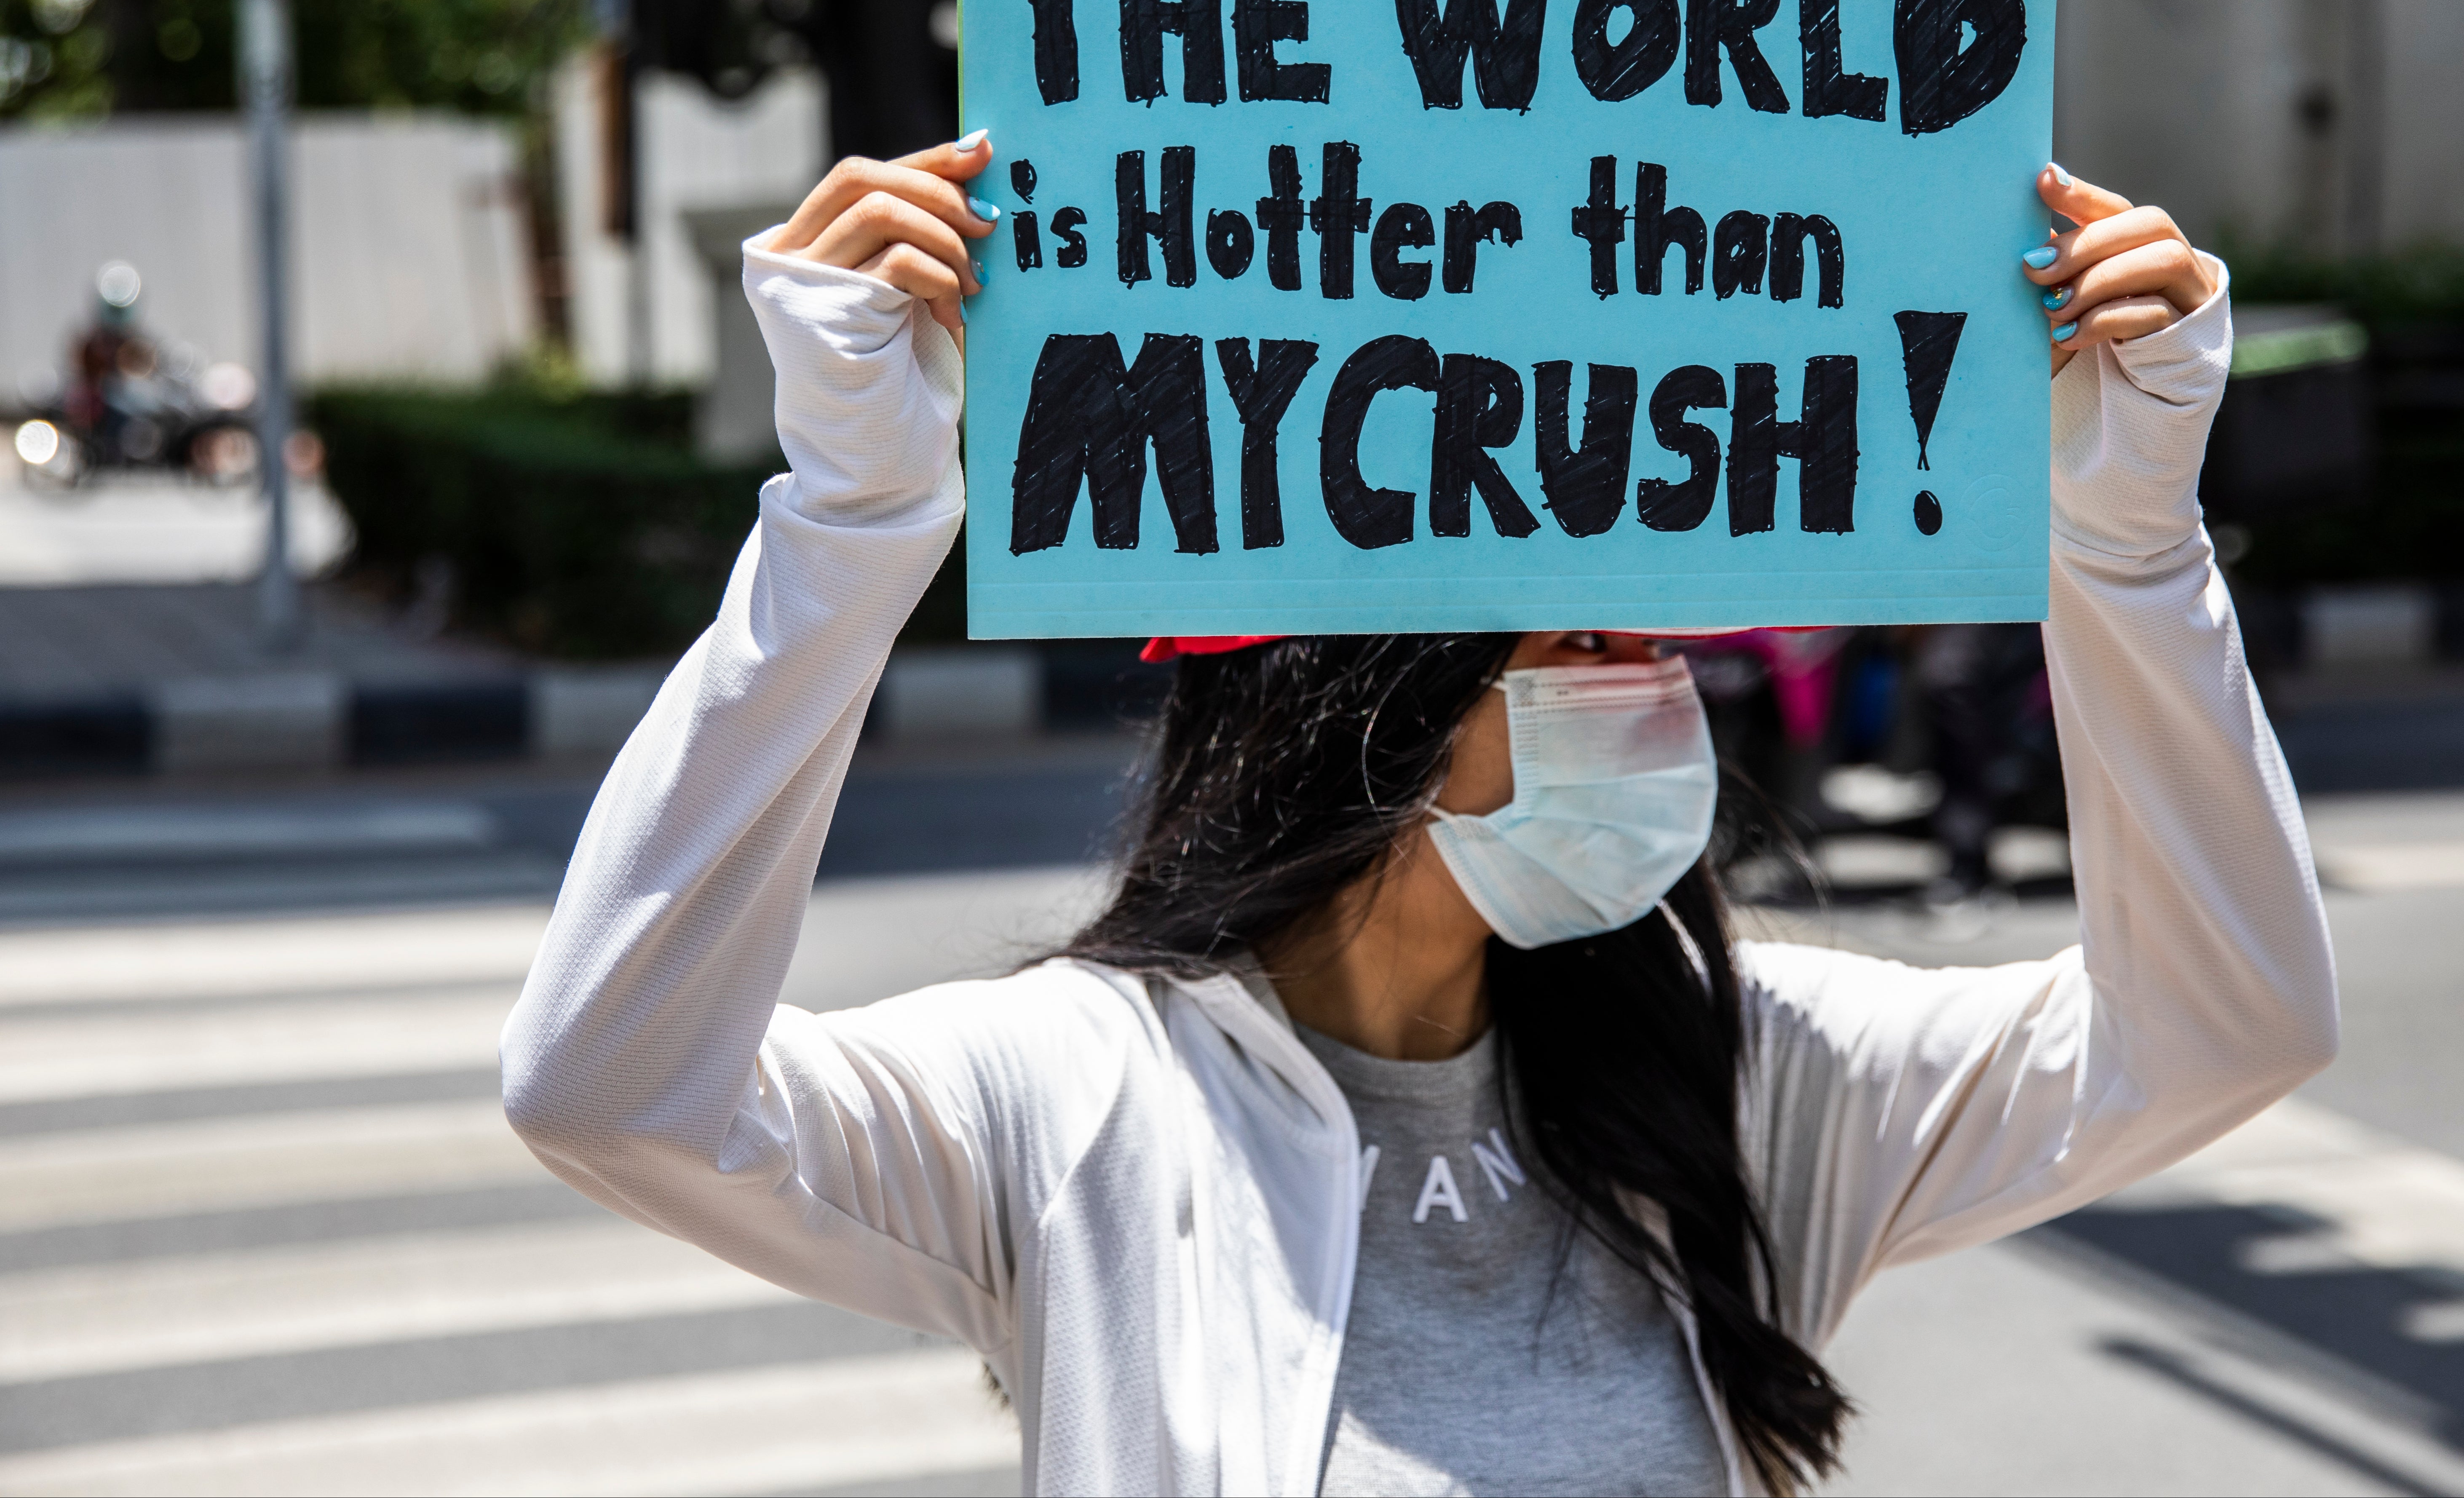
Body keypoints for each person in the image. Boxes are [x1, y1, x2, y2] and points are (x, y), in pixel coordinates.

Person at [502, 137, 2337, 1496]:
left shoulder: (1737, 1079)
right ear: (1367, 692)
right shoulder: (1069, 1098)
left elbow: (2222, 1023)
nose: (1661, 685)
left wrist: (2125, 547)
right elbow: (609, 1087)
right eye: (1585, 635)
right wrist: (843, 530)